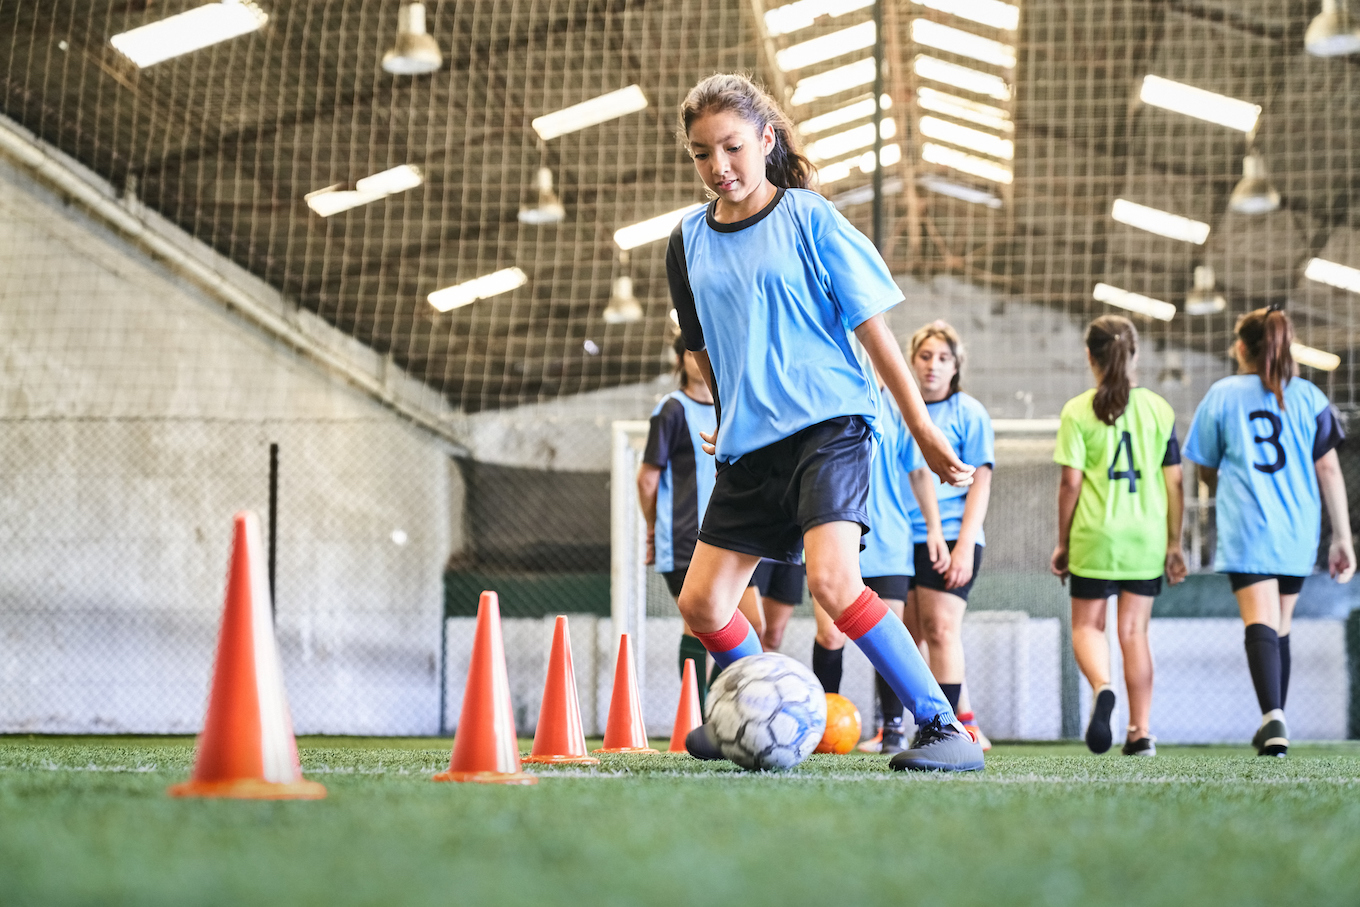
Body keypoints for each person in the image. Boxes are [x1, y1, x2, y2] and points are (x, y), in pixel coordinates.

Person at [665, 72, 983, 772]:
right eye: (700, 153)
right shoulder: (685, 241)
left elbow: (874, 331)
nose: (718, 166)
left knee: (834, 585)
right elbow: (703, 348)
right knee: (702, 603)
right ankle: (755, 700)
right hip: (750, 446)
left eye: (733, 147)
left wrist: (923, 429)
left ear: (766, 139)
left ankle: (943, 727)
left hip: (829, 425)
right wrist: (728, 413)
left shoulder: (808, 217)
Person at [1183, 306, 1353, 757]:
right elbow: (1330, 471)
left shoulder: (1222, 395)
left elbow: (1205, 467)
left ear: (1241, 347)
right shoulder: (1309, 397)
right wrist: (1343, 538)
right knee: (1280, 625)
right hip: (1298, 530)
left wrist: (1225, 483)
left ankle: (1272, 717)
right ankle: (1275, 717)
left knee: (1260, 622)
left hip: (1249, 526)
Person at [1050, 315, 1186, 756]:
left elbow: (1070, 485)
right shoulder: (1159, 409)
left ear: (1090, 356)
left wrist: (1064, 543)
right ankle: (1140, 731)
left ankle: (1103, 686)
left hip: (1096, 534)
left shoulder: (1076, 410)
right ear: (1135, 354)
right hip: (1145, 538)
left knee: (1088, 627)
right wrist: (1174, 542)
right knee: (1134, 633)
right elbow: (1175, 482)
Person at [638, 334, 764, 713]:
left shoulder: (734, 405)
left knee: (752, 623)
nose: (702, 357)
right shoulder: (672, 409)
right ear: (681, 360)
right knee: (698, 625)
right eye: (694, 351)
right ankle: (698, 713)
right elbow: (647, 478)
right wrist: (651, 528)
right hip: (684, 539)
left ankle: (715, 706)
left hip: (733, 533)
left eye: (710, 349)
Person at [898, 321, 994, 750]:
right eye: (925, 356)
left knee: (940, 629)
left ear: (956, 366)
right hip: (901, 537)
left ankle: (948, 732)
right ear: (912, 361)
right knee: (909, 636)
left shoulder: (968, 413)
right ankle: (924, 723)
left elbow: (980, 483)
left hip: (953, 536)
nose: (933, 366)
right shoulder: (899, 407)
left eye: (943, 358)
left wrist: (964, 547)